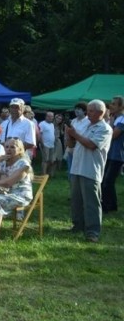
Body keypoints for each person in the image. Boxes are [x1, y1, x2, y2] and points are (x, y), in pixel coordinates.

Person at [66, 100, 112, 242]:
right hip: (77, 166)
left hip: (91, 169)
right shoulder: (85, 124)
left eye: (91, 111)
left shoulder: (104, 128)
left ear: (101, 112)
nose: (88, 113)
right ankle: (78, 226)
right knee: (76, 200)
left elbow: (91, 145)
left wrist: (76, 135)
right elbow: (71, 144)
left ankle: (93, 232)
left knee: (91, 202)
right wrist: (69, 135)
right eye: (89, 110)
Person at [0, 138, 33, 242]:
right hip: (5, 191)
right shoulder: (4, 162)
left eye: (13, 147)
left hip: (20, 194)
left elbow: (8, 182)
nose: (8, 149)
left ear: (20, 149)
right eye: (7, 147)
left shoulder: (23, 164)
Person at [101, 96, 124, 213]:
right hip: (109, 154)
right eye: (111, 103)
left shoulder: (122, 120)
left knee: (107, 182)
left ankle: (108, 206)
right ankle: (111, 206)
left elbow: (112, 135)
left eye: (114, 104)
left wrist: (108, 121)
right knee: (106, 181)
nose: (111, 105)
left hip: (117, 155)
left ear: (121, 106)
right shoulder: (114, 118)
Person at [64, 102, 90, 179]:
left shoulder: (88, 122)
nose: (76, 111)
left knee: (80, 171)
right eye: (75, 109)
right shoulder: (73, 121)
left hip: (81, 148)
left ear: (85, 111)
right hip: (71, 148)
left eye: (79, 109)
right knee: (71, 170)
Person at [38, 112, 57, 176]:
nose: (51, 118)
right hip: (45, 144)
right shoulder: (42, 124)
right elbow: (40, 134)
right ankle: (43, 174)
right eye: (49, 116)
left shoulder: (52, 124)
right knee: (45, 160)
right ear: (46, 117)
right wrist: (42, 143)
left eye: (52, 116)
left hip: (51, 145)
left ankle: (48, 174)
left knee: (51, 160)